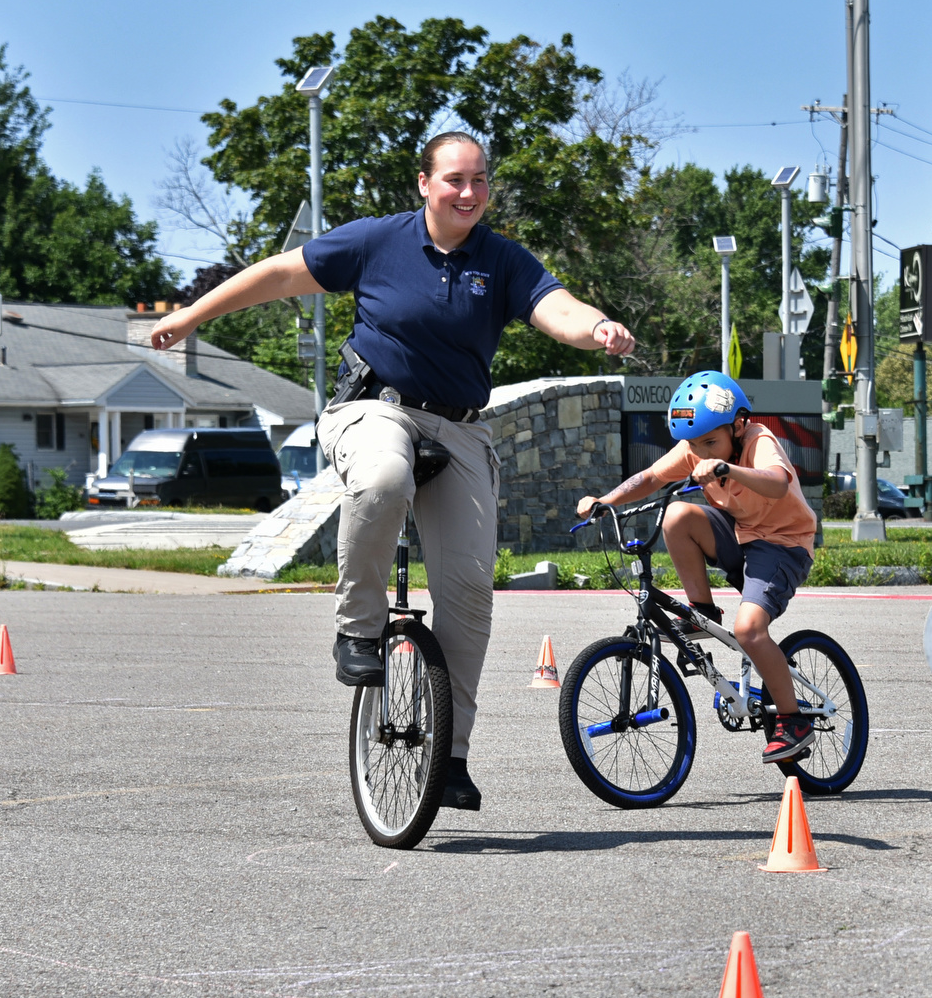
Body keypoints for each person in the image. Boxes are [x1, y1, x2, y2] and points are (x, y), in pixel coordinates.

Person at [149, 130, 636, 811]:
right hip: (373, 410)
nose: (469, 193)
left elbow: (556, 308)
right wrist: (192, 317)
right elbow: (279, 274)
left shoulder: (501, 260)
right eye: (454, 180)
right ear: (424, 183)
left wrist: (598, 327)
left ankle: (453, 755)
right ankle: (358, 627)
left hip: (459, 427)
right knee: (382, 479)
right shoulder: (378, 242)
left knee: (469, 593)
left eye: (480, 181)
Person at [574, 371, 818, 764]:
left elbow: (776, 482)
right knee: (677, 516)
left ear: (737, 425)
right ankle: (702, 610)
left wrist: (727, 469)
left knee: (749, 630)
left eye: (710, 443)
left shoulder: (758, 440)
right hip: (740, 533)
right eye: (694, 445)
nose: (701, 452)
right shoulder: (696, 448)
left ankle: (793, 721)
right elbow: (651, 477)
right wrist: (606, 501)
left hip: (782, 544)